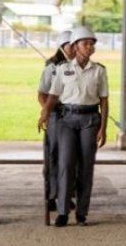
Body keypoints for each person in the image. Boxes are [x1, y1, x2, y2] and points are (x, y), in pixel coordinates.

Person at [38, 26, 108, 227]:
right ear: (75, 46)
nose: (89, 47)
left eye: (92, 43)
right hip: (66, 120)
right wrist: (44, 114)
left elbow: (104, 100)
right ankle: (62, 212)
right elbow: (53, 95)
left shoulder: (99, 70)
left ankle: (82, 214)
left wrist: (103, 127)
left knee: (86, 167)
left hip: (89, 120)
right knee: (66, 165)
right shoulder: (62, 69)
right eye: (85, 43)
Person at [37, 30, 74, 212]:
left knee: (70, 157)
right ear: (62, 47)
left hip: (74, 114)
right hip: (56, 113)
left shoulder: (80, 65)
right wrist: (48, 112)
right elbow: (42, 93)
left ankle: (67, 194)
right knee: (53, 156)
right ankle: (51, 194)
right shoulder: (51, 68)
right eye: (70, 45)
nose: (74, 49)